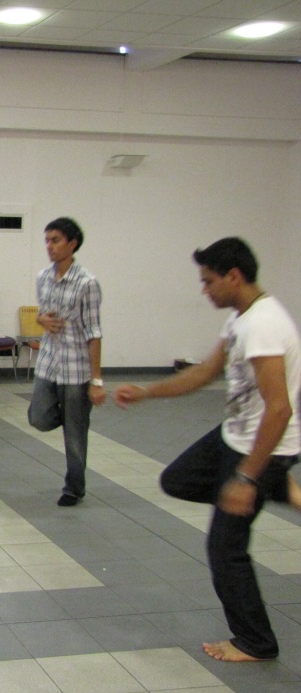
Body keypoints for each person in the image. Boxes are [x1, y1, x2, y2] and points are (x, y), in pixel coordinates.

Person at [114, 237, 300, 662]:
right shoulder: (241, 318)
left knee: (225, 549)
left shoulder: (263, 325)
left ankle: (255, 642)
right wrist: (146, 392)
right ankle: (277, 487)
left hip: (260, 447)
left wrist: (247, 478)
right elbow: (204, 373)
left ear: (234, 276)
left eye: (209, 281)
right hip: (233, 435)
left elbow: (280, 409)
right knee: (177, 479)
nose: (204, 290)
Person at [27, 217, 105, 507]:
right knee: (37, 416)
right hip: (48, 363)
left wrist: (96, 381)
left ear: (72, 244)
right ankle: (73, 415)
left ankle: (74, 487)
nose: (49, 246)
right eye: (47, 240)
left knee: (74, 437)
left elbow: (94, 333)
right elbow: (43, 315)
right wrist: (39, 319)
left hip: (76, 369)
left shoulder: (87, 283)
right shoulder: (43, 277)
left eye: (56, 240)